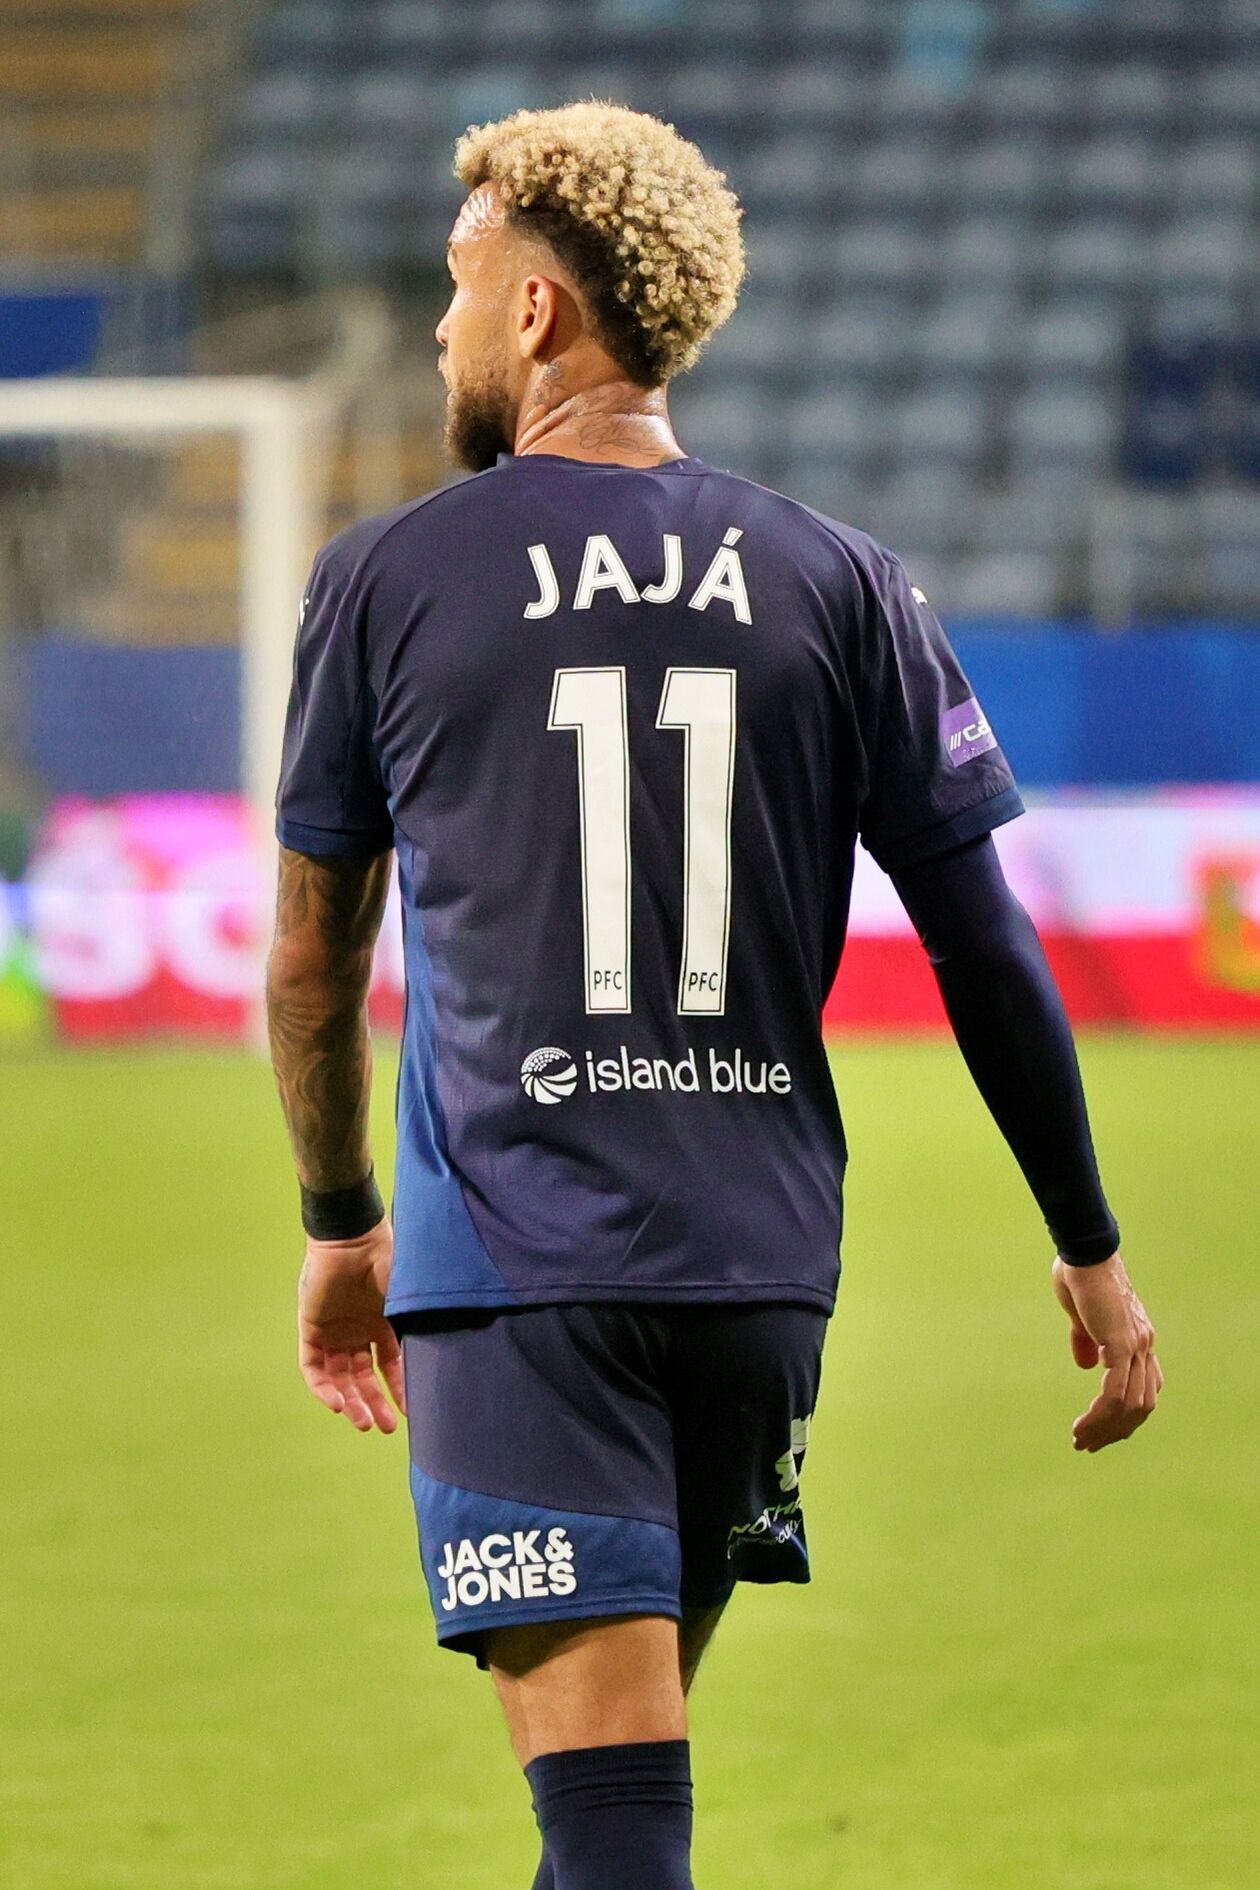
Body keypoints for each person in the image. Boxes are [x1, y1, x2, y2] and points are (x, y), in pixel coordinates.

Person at [266, 102, 1163, 1890]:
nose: (440, 325)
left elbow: (312, 955)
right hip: (759, 1278)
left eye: (458, 282)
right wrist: (1088, 1241)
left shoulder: (385, 579)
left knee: (613, 1821)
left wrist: (339, 1216)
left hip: (521, 1273)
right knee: (608, 1807)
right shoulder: (845, 579)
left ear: (536, 312)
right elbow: (986, 943)